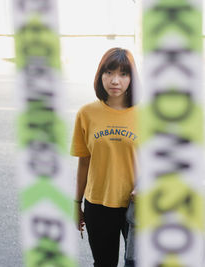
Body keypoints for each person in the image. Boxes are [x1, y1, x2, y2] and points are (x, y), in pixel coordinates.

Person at [70, 47, 138, 267]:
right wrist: (76, 204)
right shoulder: (87, 114)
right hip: (97, 205)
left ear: (132, 78)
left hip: (137, 204)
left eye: (123, 74)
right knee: (103, 264)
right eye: (108, 72)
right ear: (100, 76)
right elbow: (84, 162)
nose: (115, 80)